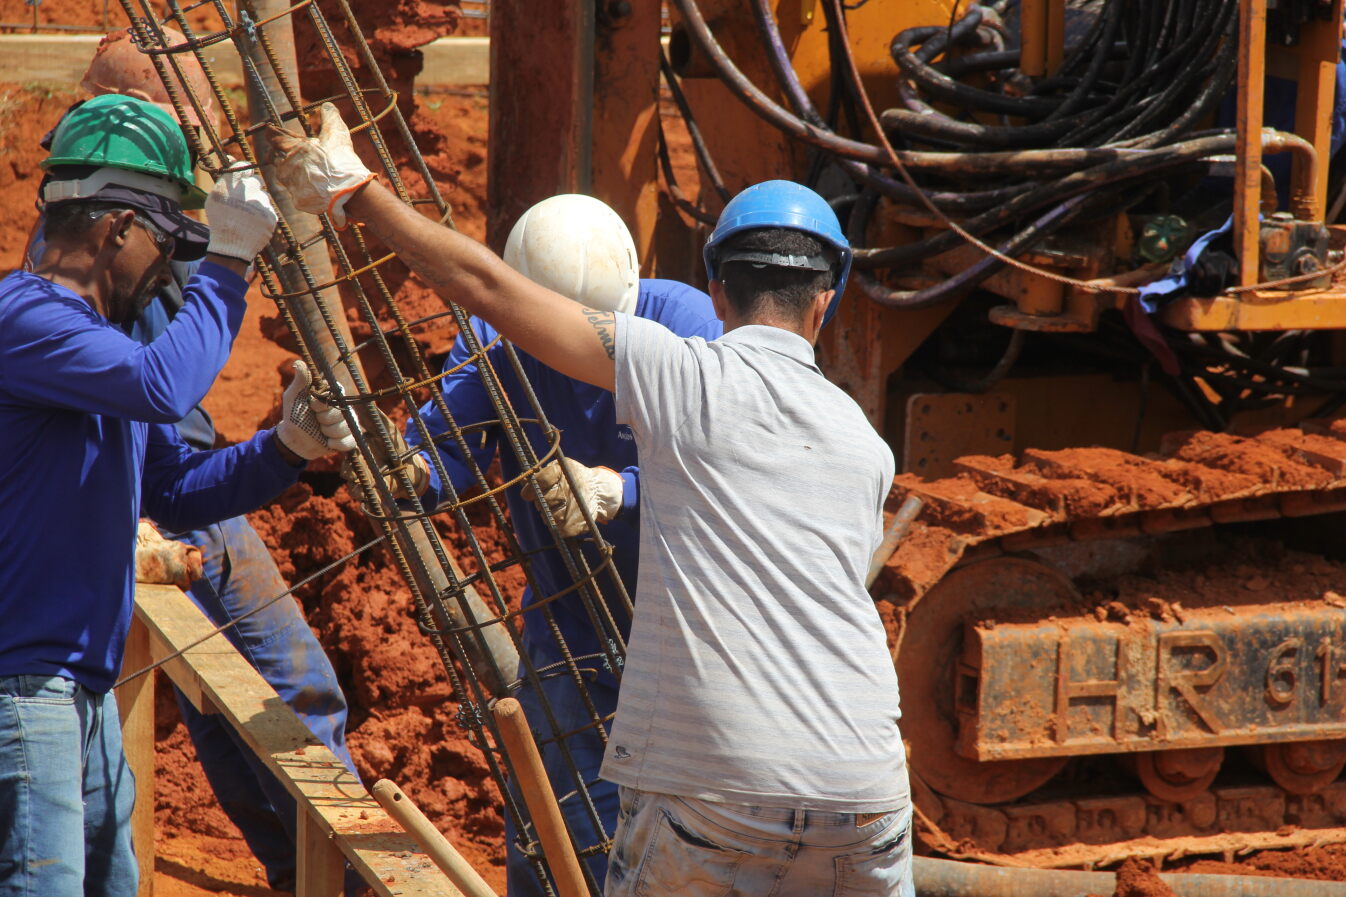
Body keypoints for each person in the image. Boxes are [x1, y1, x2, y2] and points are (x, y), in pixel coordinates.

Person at [270, 106, 912, 896]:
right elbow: (432, 469)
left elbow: (746, 470)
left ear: (709, 292)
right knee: (558, 835)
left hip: (690, 661)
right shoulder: (862, 441)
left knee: (651, 839)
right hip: (615, 650)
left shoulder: (678, 341)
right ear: (827, 298)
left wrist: (621, 491)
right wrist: (381, 455)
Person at [0, 94, 356, 897]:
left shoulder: (102, 351)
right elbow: (166, 386)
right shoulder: (25, 319)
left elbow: (173, 487)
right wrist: (229, 259)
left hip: (79, 691)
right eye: (163, 242)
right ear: (112, 229)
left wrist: (288, 446)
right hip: (24, 689)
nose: (167, 266)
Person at [393, 193, 720, 895]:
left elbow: (731, 469)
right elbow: (448, 453)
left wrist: (619, 492)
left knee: (690, 848)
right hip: (570, 636)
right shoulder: (498, 339)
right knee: (553, 846)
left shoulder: (689, 327)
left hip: (690, 640)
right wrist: (408, 469)